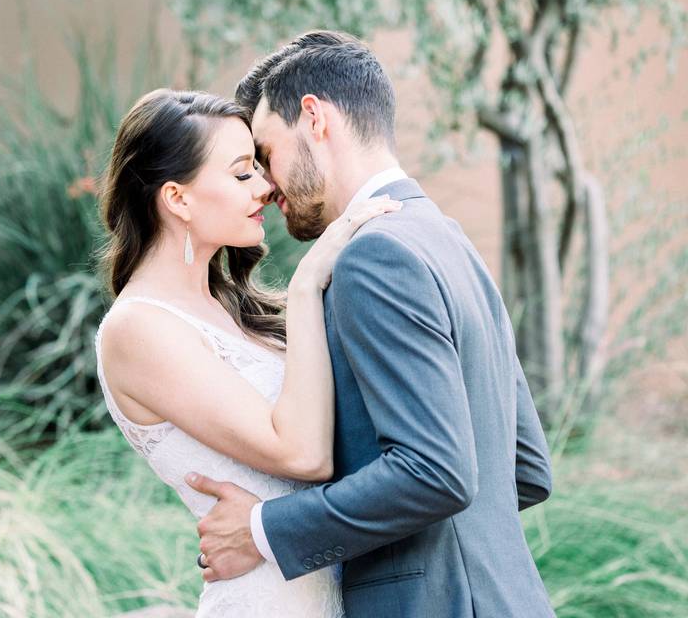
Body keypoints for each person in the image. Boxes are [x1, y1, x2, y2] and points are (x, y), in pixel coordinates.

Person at [186, 30, 556, 617]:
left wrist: (263, 531)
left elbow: (436, 473)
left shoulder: (373, 256)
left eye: (266, 152)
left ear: (314, 118)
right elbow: (526, 469)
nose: (266, 184)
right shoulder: (447, 239)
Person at [94, 88, 402, 616]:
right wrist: (307, 287)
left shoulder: (236, 309)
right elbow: (304, 455)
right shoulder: (137, 329)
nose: (264, 187)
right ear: (178, 198)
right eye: (241, 174)